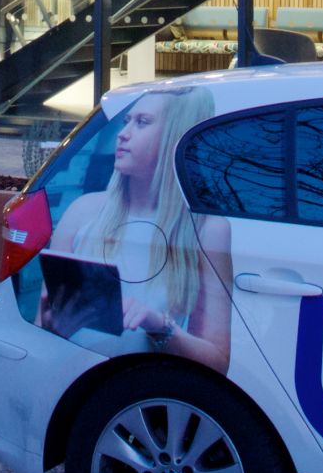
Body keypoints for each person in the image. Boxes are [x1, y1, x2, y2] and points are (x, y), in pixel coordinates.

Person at [45, 84, 230, 373]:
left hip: (144, 394)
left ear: (176, 137)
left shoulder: (207, 230)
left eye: (142, 122)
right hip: (75, 386)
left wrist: (158, 325)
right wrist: (52, 325)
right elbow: (44, 326)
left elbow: (217, 363)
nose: (123, 133)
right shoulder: (83, 212)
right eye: (127, 121)